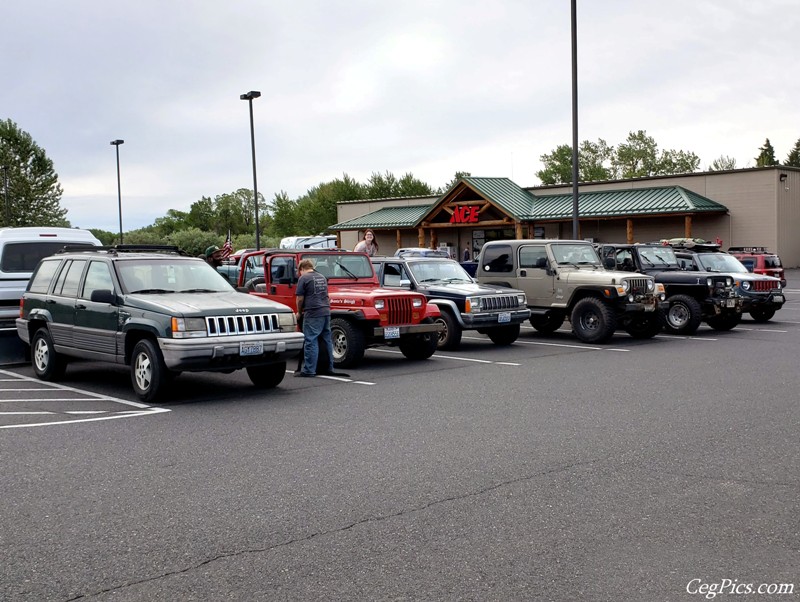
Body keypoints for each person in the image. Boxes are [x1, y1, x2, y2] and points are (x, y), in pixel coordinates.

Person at [295, 259, 348, 378]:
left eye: (300, 271)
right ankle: (329, 367)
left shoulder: (304, 278)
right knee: (327, 340)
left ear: (302, 269)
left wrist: (299, 312)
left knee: (311, 340)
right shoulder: (322, 277)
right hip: (325, 311)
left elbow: (300, 298)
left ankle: (309, 370)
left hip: (313, 312)